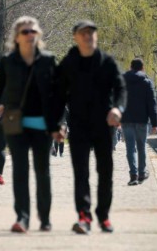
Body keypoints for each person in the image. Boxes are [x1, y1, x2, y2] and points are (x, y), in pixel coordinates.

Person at [0, 16, 63, 233]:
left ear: (38, 34)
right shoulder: (8, 61)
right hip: (16, 124)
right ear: (17, 37)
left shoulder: (47, 60)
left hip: (42, 124)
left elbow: (58, 94)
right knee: (20, 171)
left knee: (42, 171)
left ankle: (44, 218)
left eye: (33, 31)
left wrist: (59, 123)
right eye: (25, 32)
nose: (30, 35)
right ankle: (22, 217)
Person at [55, 19, 126, 234]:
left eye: (91, 33)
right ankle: (84, 216)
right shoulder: (68, 64)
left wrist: (118, 109)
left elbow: (120, 88)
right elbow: (57, 97)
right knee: (81, 173)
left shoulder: (107, 62)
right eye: (83, 33)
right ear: (76, 37)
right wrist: (58, 123)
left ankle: (103, 216)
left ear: (96, 36)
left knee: (105, 171)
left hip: (104, 125)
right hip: (79, 125)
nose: (88, 36)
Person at [121, 58, 157, 186]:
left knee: (130, 148)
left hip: (126, 120)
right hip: (142, 121)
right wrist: (155, 123)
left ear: (130, 67)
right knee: (141, 147)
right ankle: (142, 172)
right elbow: (151, 104)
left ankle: (133, 174)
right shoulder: (147, 83)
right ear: (142, 68)